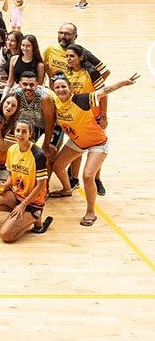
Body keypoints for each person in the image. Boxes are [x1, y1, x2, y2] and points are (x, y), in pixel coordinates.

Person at [48, 72, 138, 226]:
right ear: (54, 90)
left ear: (70, 88)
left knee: (88, 176)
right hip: (77, 141)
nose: (61, 90)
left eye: (63, 86)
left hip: (97, 143)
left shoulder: (81, 100)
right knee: (57, 166)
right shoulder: (55, 100)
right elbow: (39, 87)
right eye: (57, 87)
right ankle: (67, 190)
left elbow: (104, 91)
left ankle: (91, 212)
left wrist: (123, 83)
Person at [0, 120, 53, 242]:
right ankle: (22, 217)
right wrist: (4, 185)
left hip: (32, 202)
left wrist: (23, 205)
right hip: (16, 195)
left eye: (24, 132)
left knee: (6, 235)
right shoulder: (12, 149)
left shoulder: (38, 154)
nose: (20, 134)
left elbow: (41, 186)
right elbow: (11, 174)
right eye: (18, 130)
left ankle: (35, 216)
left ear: (30, 134)